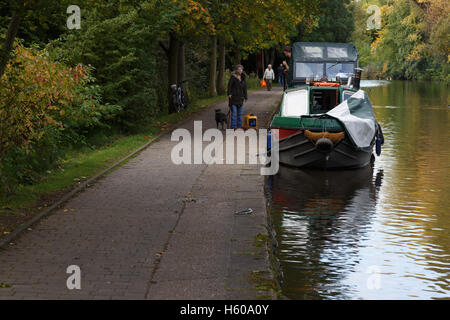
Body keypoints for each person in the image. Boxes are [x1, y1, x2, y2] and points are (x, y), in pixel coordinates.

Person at [227, 64, 248, 129]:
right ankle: (232, 127)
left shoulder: (243, 77)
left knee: (239, 115)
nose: (240, 70)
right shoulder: (233, 77)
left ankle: (239, 127)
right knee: (234, 114)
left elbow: (245, 88)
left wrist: (245, 96)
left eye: (241, 69)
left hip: (240, 98)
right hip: (233, 98)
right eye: (239, 69)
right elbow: (229, 86)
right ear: (236, 70)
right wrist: (229, 93)